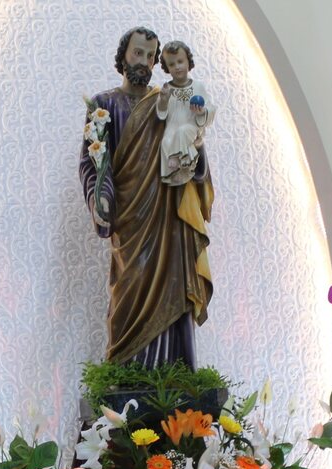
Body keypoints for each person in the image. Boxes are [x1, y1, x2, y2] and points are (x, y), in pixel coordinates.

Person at [80, 26, 214, 368]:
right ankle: (127, 367)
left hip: (168, 219)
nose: (143, 61)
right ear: (124, 55)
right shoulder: (104, 105)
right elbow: (93, 163)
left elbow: (191, 144)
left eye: (150, 56)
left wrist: (195, 152)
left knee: (173, 287)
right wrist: (101, 199)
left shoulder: (166, 101)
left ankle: (173, 370)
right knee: (129, 289)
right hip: (129, 221)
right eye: (137, 52)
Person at [156, 41, 215, 186]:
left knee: (182, 132)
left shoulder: (197, 86)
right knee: (165, 141)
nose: (177, 67)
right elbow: (162, 113)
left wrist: (201, 112)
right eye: (172, 64)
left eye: (180, 61)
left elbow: (211, 108)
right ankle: (173, 174)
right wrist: (163, 100)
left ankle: (181, 162)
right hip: (172, 126)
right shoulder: (167, 89)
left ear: (188, 61)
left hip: (191, 127)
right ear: (167, 68)